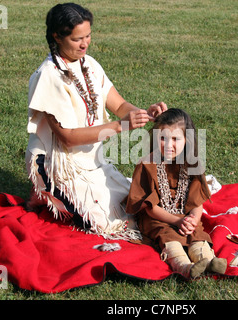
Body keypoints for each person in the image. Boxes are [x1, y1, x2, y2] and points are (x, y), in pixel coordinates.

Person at [25, 3, 167, 240]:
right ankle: (45, 186)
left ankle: (44, 195)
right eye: (77, 38)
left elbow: (120, 106)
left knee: (137, 202)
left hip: (92, 159)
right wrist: (121, 126)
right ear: (57, 37)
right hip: (61, 163)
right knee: (113, 222)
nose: (85, 43)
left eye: (88, 36)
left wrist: (145, 113)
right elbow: (68, 139)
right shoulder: (48, 76)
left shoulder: (89, 64)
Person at [125, 109, 227, 278]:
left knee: (196, 234)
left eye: (175, 139)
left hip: (183, 215)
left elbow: (197, 202)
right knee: (168, 236)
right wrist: (177, 220)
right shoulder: (147, 164)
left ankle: (208, 260)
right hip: (156, 217)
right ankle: (184, 267)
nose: (168, 144)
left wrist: (192, 220)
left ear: (186, 139)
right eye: (163, 138)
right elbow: (151, 208)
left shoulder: (191, 164)